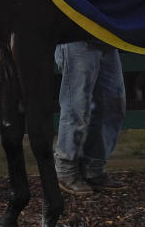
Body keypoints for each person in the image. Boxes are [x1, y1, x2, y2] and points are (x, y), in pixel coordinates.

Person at [54, 40, 128, 194]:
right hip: (76, 38)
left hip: (105, 36)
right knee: (76, 107)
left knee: (112, 102)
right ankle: (66, 170)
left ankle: (93, 168)